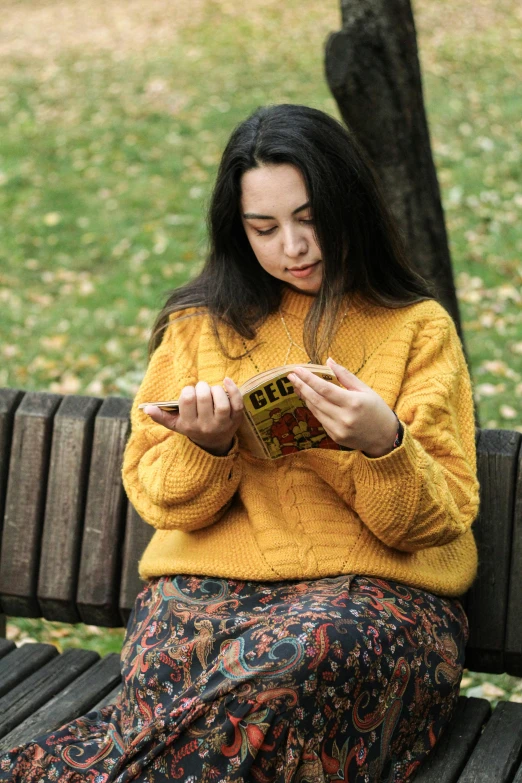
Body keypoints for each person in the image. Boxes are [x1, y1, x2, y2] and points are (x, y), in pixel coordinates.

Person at [0, 104, 479, 782]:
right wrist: (208, 447)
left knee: (307, 654)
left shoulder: (418, 328)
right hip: (208, 590)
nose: (294, 246)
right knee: (189, 659)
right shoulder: (200, 326)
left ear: (351, 205)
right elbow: (163, 498)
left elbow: (438, 519)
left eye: (310, 218)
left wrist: (383, 443)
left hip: (370, 597)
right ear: (238, 229)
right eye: (265, 228)